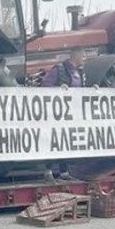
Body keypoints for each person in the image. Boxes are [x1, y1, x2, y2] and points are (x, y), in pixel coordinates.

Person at [42, 48, 87, 180]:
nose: (84, 59)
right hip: (56, 115)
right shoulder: (59, 69)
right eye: (83, 56)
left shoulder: (80, 72)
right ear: (76, 55)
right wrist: (58, 90)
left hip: (71, 115)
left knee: (66, 142)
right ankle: (49, 170)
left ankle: (64, 171)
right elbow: (45, 87)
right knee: (54, 141)